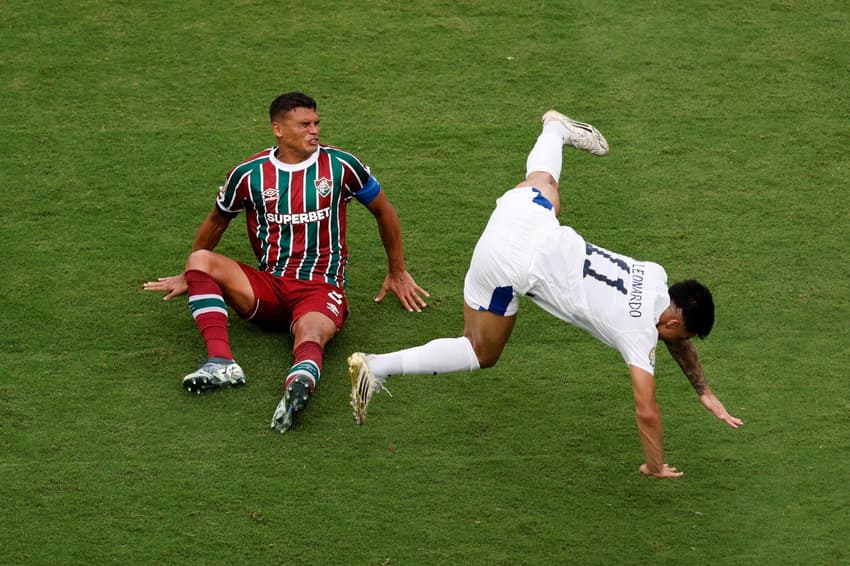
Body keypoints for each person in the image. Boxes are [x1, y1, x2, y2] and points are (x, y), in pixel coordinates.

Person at [348, 110, 742, 478]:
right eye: (681, 335)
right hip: (507, 265)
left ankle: (555, 128)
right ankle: (377, 366)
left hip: (520, 216)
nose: (676, 342)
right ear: (672, 322)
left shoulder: (655, 275)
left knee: (547, 188)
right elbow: (647, 410)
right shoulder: (638, 334)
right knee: (480, 351)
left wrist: (703, 391)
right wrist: (654, 466)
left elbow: (672, 332)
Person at [144, 92, 428, 433]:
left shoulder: (341, 166)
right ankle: (221, 362)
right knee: (201, 259)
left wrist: (397, 270)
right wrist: (191, 274)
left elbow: (384, 210)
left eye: (317, 123)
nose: (314, 131)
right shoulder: (249, 175)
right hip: (270, 287)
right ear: (278, 129)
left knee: (310, 332)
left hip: (320, 288)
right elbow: (217, 221)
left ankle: (298, 389)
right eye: (304, 124)